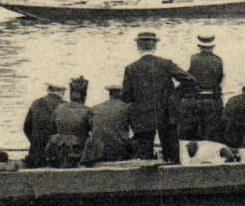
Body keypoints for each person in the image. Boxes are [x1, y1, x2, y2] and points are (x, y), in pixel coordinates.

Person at [122, 30, 195, 163]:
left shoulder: (131, 68)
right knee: (172, 154)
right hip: (167, 114)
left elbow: (126, 96)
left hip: (143, 117)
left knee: (144, 157)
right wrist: (174, 95)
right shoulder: (166, 64)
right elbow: (190, 80)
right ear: (155, 46)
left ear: (138, 46)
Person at [179, 31, 225, 142]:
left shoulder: (190, 59)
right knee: (210, 136)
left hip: (192, 101)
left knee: (187, 135)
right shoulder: (219, 61)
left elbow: (182, 80)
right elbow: (221, 82)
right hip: (212, 102)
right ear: (213, 46)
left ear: (199, 46)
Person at [81, 84, 135, 164]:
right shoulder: (127, 107)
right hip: (118, 151)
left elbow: (90, 128)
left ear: (110, 94)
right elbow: (136, 129)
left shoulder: (96, 108)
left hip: (97, 152)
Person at [47, 77, 93, 168]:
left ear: (70, 95)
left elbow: (51, 129)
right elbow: (95, 133)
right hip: (77, 153)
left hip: (57, 152)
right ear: (85, 95)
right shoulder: (87, 111)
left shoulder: (59, 108)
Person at [23, 81, 64, 167]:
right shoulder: (65, 106)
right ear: (63, 92)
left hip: (35, 155)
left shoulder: (36, 103)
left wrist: (36, 143)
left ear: (48, 90)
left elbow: (26, 128)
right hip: (56, 157)